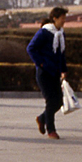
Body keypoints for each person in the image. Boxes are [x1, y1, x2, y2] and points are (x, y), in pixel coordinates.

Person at [26, 7, 68, 140]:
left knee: (59, 101)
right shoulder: (44, 32)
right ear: (54, 18)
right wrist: (42, 63)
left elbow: (61, 54)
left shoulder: (61, 34)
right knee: (51, 100)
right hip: (44, 72)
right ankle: (51, 130)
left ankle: (41, 118)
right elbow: (31, 48)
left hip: (55, 72)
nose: (64, 21)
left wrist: (63, 70)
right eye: (62, 18)